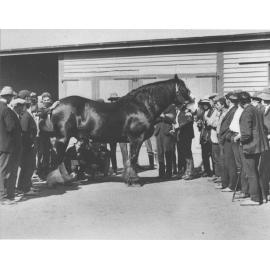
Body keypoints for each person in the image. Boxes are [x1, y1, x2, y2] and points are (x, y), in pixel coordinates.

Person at [238, 92, 269, 205]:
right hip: (259, 144)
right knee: (257, 171)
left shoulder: (247, 112)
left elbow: (246, 134)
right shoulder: (255, 109)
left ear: (241, 102)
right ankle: (262, 197)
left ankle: (255, 198)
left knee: (251, 172)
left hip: (251, 146)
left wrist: (241, 140)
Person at [1, 96, 24, 204]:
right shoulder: (6, 109)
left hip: (3, 145)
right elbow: (11, 127)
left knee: (4, 170)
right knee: (5, 171)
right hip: (8, 145)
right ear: (9, 97)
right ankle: (4, 197)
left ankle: (8, 195)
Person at [17, 90, 38, 195]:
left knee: (27, 166)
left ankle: (24, 186)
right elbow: (24, 132)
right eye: (29, 98)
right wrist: (30, 143)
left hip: (27, 145)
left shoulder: (26, 113)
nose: (31, 99)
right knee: (28, 166)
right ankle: (25, 188)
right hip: (27, 146)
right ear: (24, 100)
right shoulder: (25, 115)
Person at [218, 92, 238, 191]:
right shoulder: (231, 109)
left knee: (230, 163)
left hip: (228, 140)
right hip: (225, 139)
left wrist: (224, 136)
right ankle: (226, 183)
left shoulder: (234, 110)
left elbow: (229, 127)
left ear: (228, 100)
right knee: (225, 162)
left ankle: (232, 185)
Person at [36, 92, 58, 179]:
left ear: (51, 100)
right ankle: (42, 172)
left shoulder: (55, 110)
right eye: (44, 100)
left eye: (48, 100)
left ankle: (53, 172)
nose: (46, 101)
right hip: (43, 135)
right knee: (43, 154)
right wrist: (51, 107)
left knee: (53, 153)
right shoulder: (40, 109)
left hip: (52, 134)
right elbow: (42, 114)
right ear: (42, 101)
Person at [107, 92, 128, 175]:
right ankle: (115, 169)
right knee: (112, 151)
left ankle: (126, 168)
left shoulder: (122, 109)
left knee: (124, 150)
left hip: (122, 133)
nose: (113, 101)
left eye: (115, 99)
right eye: (112, 100)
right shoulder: (108, 109)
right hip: (112, 133)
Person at [154, 104, 176, 178]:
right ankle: (161, 172)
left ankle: (169, 173)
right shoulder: (158, 106)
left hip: (167, 131)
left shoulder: (171, 107)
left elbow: (173, 118)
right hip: (158, 131)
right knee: (159, 153)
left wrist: (164, 115)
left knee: (168, 152)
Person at [176, 106, 195, 180]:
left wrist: (178, 126)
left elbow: (189, 120)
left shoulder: (188, 111)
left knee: (187, 153)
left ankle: (190, 172)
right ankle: (185, 171)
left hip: (186, 135)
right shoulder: (179, 111)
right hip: (180, 135)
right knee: (182, 153)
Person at [257, 91, 270, 202]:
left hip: (268, 140)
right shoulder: (261, 109)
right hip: (264, 142)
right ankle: (265, 193)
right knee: (264, 169)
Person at [198, 99, 213, 177]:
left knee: (211, 154)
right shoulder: (202, 113)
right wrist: (199, 124)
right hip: (203, 135)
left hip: (209, 135)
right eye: (203, 104)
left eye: (206, 104)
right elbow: (201, 125)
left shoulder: (212, 112)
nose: (204, 106)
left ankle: (213, 172)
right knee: (204, 155)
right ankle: (207, 170)